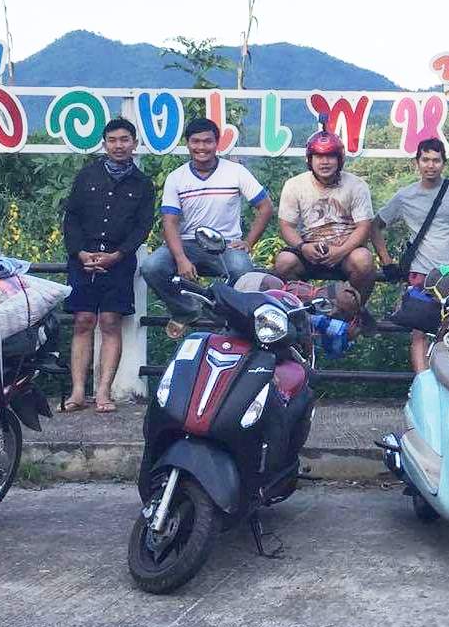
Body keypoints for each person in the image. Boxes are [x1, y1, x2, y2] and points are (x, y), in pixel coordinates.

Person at [141, 117, 274, 331]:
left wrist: (248, 242)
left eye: (207, 141)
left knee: (243, 270)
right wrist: (181, 259)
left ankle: (229, 318)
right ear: (187, 144)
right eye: (196, 141)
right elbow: (170, 221)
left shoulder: (236, 172)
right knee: (152, 266)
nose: (201, 147)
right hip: (187, 243)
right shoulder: (176, 177)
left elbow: (265, 207)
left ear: (217, 143)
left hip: (225, 244)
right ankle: (186, 309)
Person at [61, 117, 155, 413]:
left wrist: (118, 255)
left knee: (111, 322)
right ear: (104, 144)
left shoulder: (143, 184)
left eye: (124, 140)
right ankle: (78, 392)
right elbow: (71, 217)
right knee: (83, 320)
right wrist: (80, 253)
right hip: (83, 259)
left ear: (134, 144)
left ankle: (103, 393)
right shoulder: (86, 175)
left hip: (119, 261)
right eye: (113, 140)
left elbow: (142, 227)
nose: (118, 145)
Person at [373, 137, 449, 372]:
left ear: (444, 163)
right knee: (420, 331)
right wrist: (386, 261)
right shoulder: (405, 196)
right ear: (416, 162)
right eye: (425, 160)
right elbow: (374, 225)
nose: (431, 165)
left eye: (436, 160)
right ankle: (423, 381)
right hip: (422, 272)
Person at [272, 130, 378, 305]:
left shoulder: (357, 185)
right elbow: (286, 225)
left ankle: (353, 310)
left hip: (347, 249)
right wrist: (302, 247)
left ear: (339, 159)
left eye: (330, 156)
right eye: (319, 156)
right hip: (309, 247)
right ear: (310, 160)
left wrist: (341, 250)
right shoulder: (294, 185)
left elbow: (364, 226)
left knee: (364, 261)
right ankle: (302, 309)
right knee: (284, 262)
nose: (325, 162)